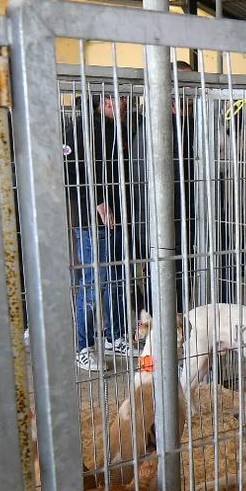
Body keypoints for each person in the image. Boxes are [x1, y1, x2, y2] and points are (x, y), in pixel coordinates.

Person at [65, 94, 141, 370]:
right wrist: (99, 201)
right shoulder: (84, 127)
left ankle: (115, 336)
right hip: (93, 218)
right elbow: (72, 172)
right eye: (122, 98)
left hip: (118, 215)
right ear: (108, 100)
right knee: (93, 280)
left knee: (117, 277)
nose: (125, 104)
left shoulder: (118, 127)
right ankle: (82, 347)